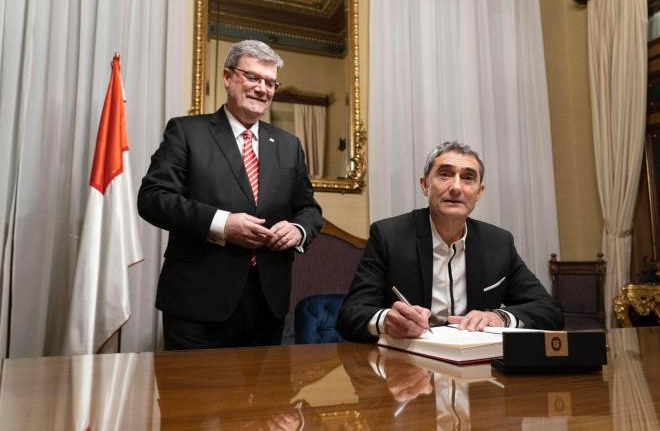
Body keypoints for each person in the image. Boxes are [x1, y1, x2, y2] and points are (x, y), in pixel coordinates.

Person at [138, 40, 322, 349]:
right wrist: (223, 224)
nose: (262, 89)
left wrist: (298, 229)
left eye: (270, 82)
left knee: (266, 398)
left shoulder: (289, 146)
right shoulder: (187, 132)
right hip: (198, 305)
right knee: (192, 398)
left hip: (267, 305)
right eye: (253, 77)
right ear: (227, 77)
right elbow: (153, 198)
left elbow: (309, 209)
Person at [337, 141, 563, 342]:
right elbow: (350, 314)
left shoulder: (499, 243)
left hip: (476, 373)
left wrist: (499, 317)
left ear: (479, 192)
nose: (456, 187)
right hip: (407, 369)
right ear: (425, 185)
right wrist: (387, 320)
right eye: (445, 175)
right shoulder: (388, 236)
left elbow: (549, 310)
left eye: (468, 178)